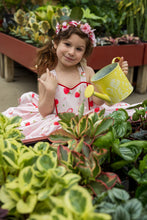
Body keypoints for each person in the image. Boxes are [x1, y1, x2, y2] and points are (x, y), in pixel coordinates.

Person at [3, 20, 132, 141]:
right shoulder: (47, 77)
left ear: (84, 53)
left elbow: (97, 101)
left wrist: (115, 77)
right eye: (67, 44)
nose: (71, 52)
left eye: (78, 49)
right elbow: (44, 112)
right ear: (55, 43)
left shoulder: (87, 72)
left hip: (88, 119)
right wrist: (50, 91)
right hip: (61, 124)